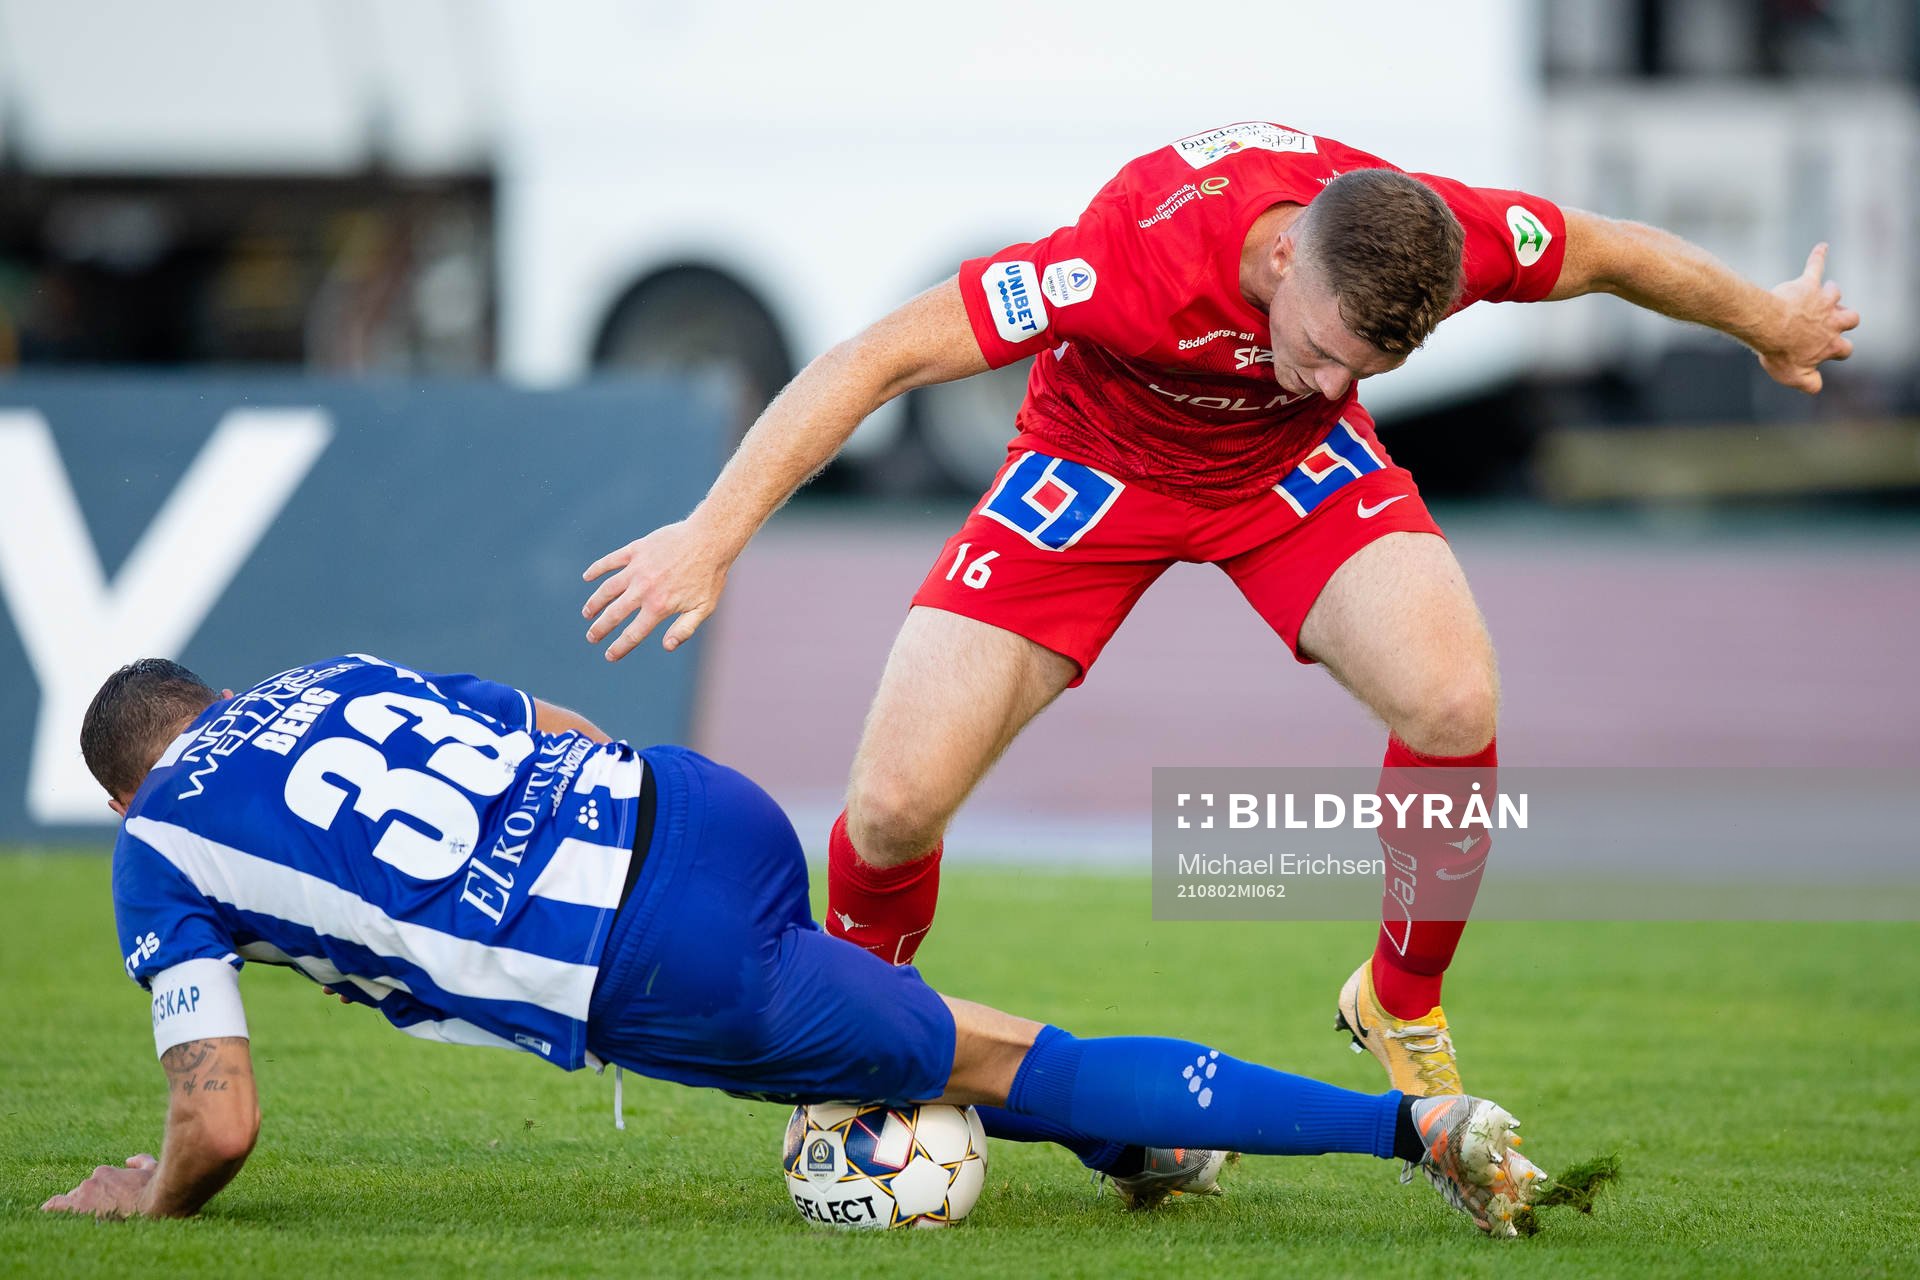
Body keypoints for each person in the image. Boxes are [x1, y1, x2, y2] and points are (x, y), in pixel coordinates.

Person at [578, 120, 1860, 1098]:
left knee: (1455, 696)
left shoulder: (1434, 241)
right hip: (1094, 470)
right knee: (896, 805)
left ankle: (1399, 1001)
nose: (1337, 372)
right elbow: (876, 358)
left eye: (1373, 365)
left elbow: (1609, 252)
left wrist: (1768, 321)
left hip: (1284, 470)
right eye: (1327, 345)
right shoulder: (1125, 261)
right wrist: (713, 534)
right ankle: (865, 1050)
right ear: (1286, 249)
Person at [44, 654, 1549, 1234]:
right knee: (925, 1034)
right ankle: (1129, 1145)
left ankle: (1406, 1129)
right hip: (697, 806)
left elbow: (218, 1118)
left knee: (1002, 1053)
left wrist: (150, 1196)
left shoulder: (156, 849)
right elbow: (556, 724)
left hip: (648, 956)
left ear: (125, 788)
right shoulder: (329, 676)